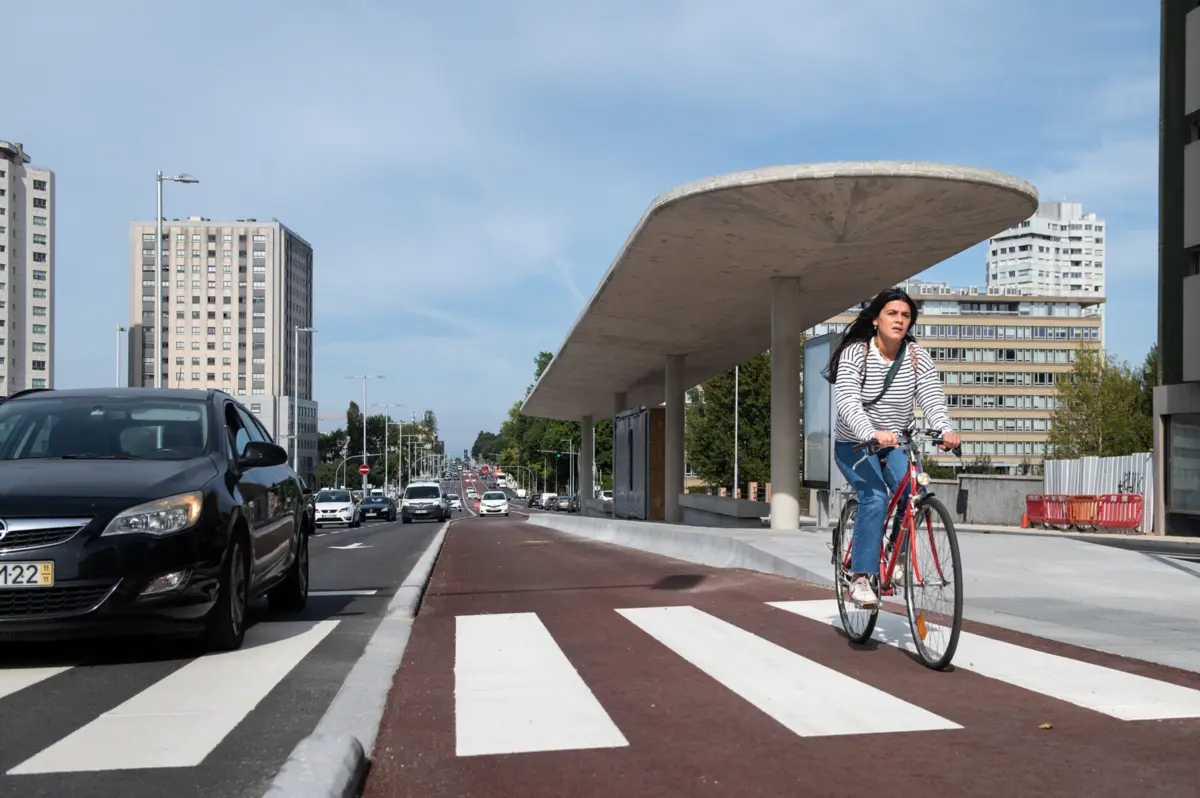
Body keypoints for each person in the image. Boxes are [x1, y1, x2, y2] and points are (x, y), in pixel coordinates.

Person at [824, 287, 960, 609]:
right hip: (855, 443)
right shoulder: (856, 354)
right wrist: (871, 432)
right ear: (875, 320)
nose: (900, 320)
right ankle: (859, 579)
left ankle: (896, 554)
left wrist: (945, 428)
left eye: (905, 315)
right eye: (892, 314)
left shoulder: (916, 356)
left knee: (911, 487)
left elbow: (931, 395)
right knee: (875, 496)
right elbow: (847, 401)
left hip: (897, 441)